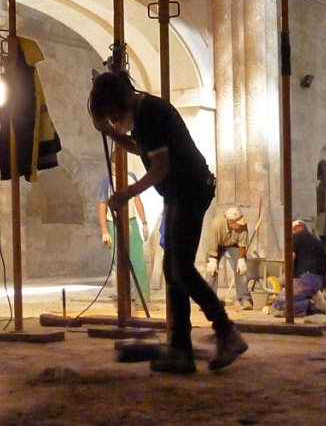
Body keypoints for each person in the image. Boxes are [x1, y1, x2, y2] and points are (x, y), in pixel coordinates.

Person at [89, 70, 247, 373]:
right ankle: (180, 350)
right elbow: (143, 149)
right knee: (173, 268)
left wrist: (125, 194)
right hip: (179, 193)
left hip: (190, 189)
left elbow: (159, 168)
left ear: (119, 102)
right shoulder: (143, 112)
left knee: (181, 269)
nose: (113, 121)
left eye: (111, 116)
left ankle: (227, 332)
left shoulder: (150, 113)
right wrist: (113, 135)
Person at [97, 156, 151, 304]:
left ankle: (143, 301)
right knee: (120, 264)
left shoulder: (131, 177)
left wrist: (144, 222)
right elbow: (102, 208)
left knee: (138, 262)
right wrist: (104, 232)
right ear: (113, 164)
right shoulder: (106, 182)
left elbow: (137, 200)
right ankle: (124, 301)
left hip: (131, 223)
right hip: (113, 225)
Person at [271, 220, 326, 317]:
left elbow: (290, 258)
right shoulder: (316, 241)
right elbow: (325, 266)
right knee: (297, 297)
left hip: (307, 279)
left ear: (293, 230)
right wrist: (325, 289)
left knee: (279, 304)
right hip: (320, 281)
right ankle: (314, 301)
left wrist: (288, 277)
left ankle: (313, 306)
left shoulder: (294, 237)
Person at [205, 206, 253, 310]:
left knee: (241, 269)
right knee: (211, 270)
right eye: (238, 223)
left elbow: (242, 244)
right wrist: (212, 261)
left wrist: (241, 260)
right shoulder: (216, 225)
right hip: (218, 245)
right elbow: (212, 244)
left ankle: (244, 299)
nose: (241, 224)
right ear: (230, 222)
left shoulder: (242, 226)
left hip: (234, 245)